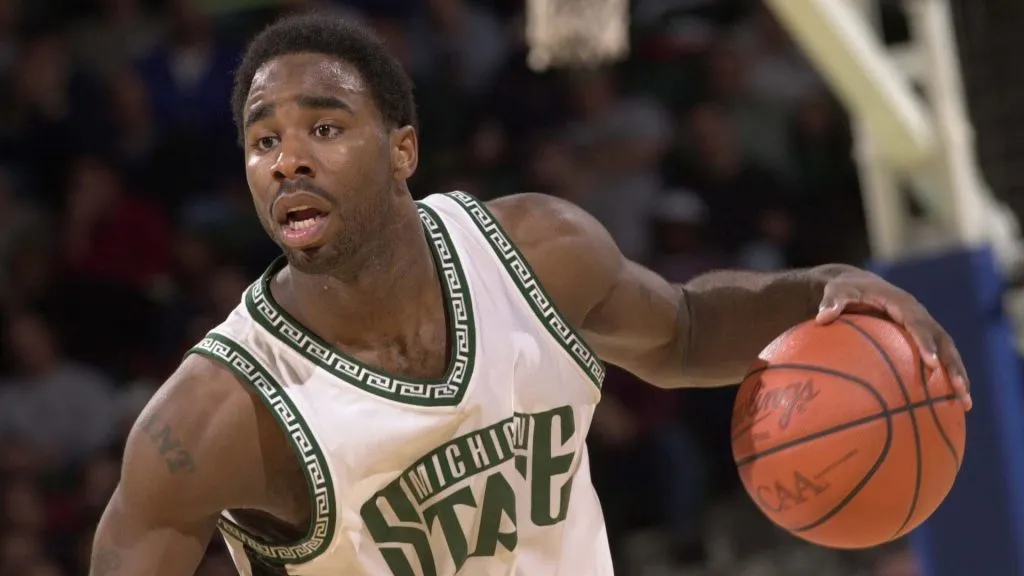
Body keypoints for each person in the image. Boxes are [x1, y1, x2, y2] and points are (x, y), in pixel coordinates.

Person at [89, 13, 971, 576]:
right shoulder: (220, 413)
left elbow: (686, 331)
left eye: (323, 127)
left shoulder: (534, 252)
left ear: (402, 151)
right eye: (261, 141)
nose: (287, 159)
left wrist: (823, 288)